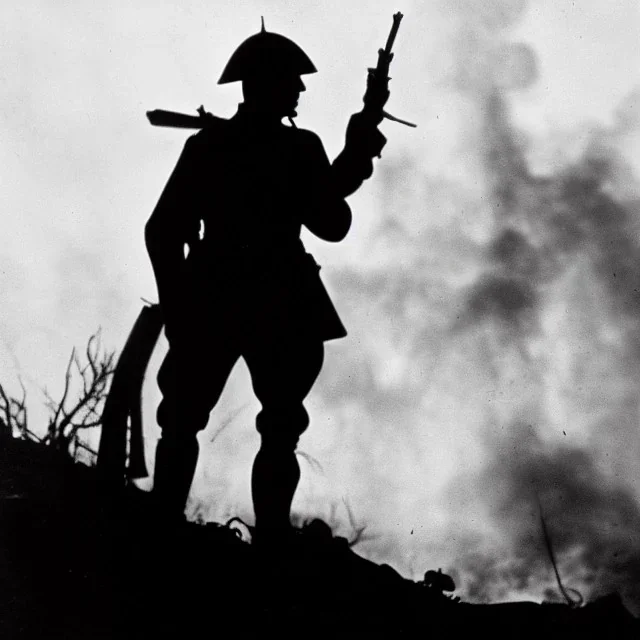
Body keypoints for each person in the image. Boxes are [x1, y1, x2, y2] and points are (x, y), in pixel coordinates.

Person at [145, 23, 387, 539]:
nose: (300, 90)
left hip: (214, 292)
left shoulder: (209, 147)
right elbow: (331, 221)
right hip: (279, 296)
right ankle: (271, 544)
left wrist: (179, 304)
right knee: (278, 428)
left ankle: (162, 532)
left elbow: (162, 232)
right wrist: (358, 152)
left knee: (183, 419)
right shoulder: (298, 149)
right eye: (292, 80)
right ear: (269, 84)